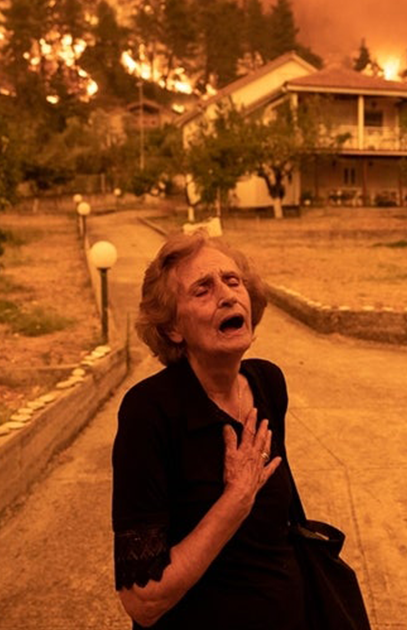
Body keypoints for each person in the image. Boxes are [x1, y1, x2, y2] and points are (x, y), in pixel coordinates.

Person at [111, 231, 305, 629]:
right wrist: (235, 501)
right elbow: (143, 600)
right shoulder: (148, 412)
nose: (228, 295)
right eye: (203, 289)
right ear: (172, 328)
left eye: (233, 281)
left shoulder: (268, 383)